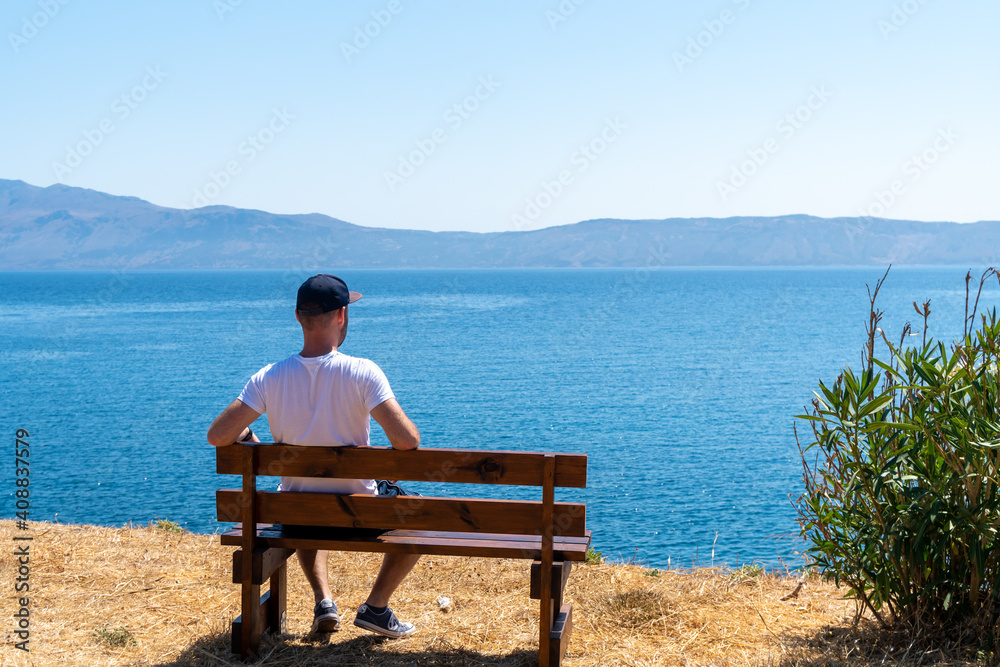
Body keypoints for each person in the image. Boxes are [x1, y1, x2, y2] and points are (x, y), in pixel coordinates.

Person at [207, 274, 422, 638]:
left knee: (303, 503)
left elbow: (218, 435)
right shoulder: (362, 371)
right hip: (358, 513)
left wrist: (254, 441)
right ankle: (376, 607)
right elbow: (406, 441)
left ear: (298, 316)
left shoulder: (268, 377)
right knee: (420, 513)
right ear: (341, 316)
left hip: (295, 513)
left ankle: (325, 602)